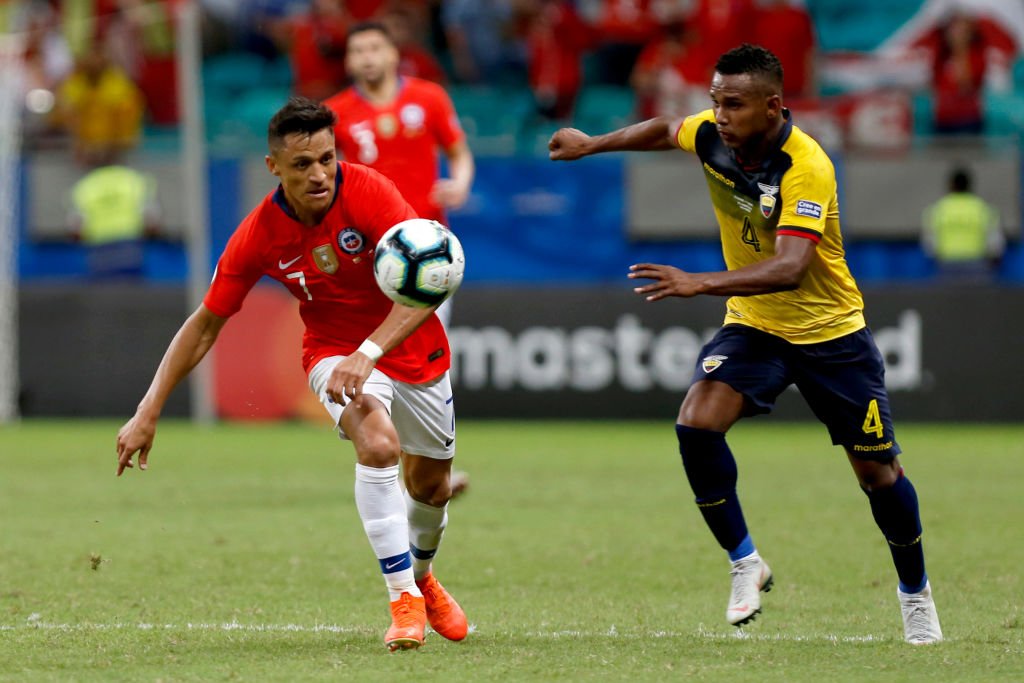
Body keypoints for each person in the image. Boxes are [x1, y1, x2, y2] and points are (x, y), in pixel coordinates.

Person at [549, 44, 942, 644]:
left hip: (831, 335)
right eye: (715, 102)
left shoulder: (806, 166)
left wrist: (697, 282)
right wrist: (590, 144)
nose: (720, 114)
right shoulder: (711, 133)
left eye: (733, 104)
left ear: (773, 106)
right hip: (757, 325)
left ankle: (915, 595)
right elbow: (663, 130)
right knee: (696, 422)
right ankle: (744, 562)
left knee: (878, 476)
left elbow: (789, 267)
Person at [115, 97, 468, 651]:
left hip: (411, 350)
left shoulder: (371, 191)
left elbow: (429, 287)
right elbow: (205, 324)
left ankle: (423, 577)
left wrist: (371, 349)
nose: (319, 174)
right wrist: (147, 409)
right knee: (377, 446)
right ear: (273, 167)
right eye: (302, 164)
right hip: (332, 353)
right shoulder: (259, 233)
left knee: (432, 487)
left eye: (327, 159)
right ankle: (403, 600)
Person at [324, 21, 475, 331]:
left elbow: (459, 153)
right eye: (358, 51)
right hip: (367, 247)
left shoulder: (429, 97)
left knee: (430, 346)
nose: (367, 58)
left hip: (426, 244)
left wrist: (460, 184)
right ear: (348, 61)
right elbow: (322, 173)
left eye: (375, 49)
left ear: (393, 54)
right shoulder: (334, 113)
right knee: (371, 349)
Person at [922, 166, 1003, 280]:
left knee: (947, 297)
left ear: (951, 185)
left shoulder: (937, 210)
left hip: (947, 265)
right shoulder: (984, 209)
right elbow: (995, 243)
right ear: (969, 185)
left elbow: (930, 244)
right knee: (978, 298)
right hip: (977, 265)